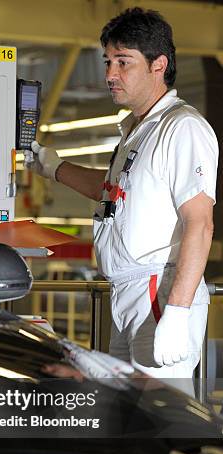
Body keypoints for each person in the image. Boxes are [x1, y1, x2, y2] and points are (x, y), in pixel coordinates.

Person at [27, 7, 218, 394]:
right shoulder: (137, 130)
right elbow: (114, 191)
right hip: (128, 294)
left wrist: (178, 313)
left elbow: (200, 222)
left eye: (123, 62)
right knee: (125, 418)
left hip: (159, 293)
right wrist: (54, 167)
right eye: (108, 62)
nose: (110, 74)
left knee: (157, 424)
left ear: (158, 65)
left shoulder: (182, 128)